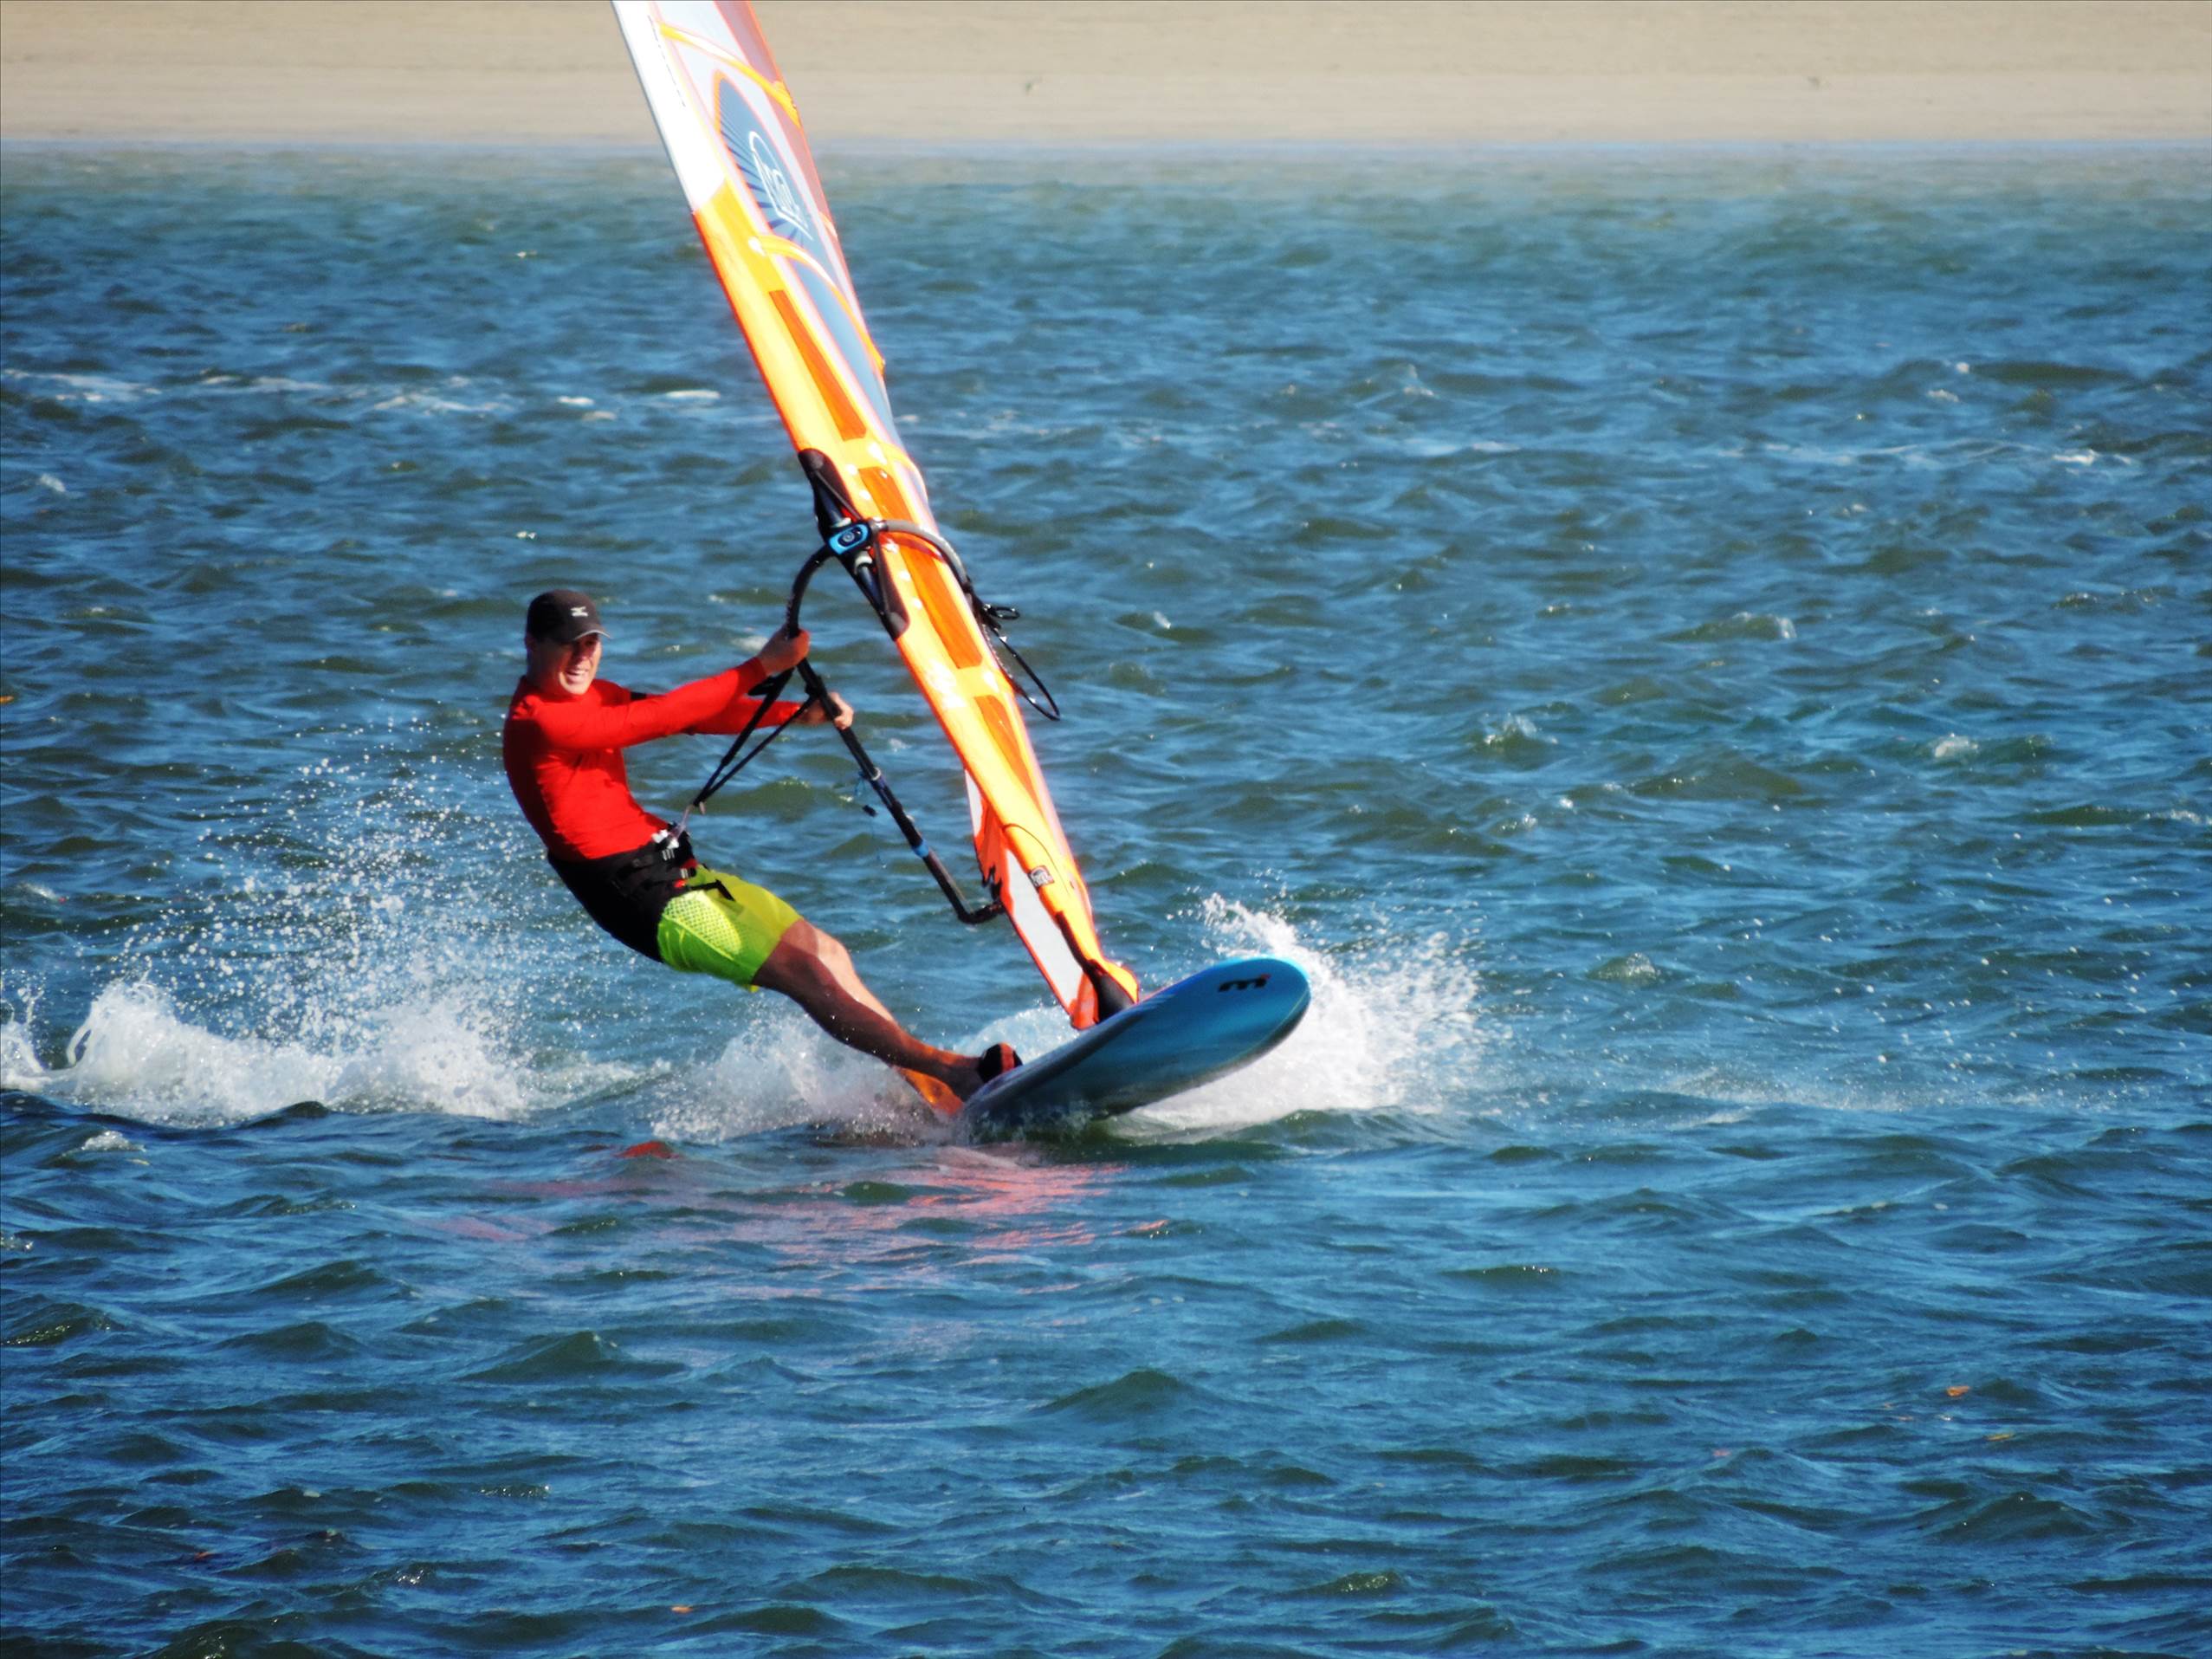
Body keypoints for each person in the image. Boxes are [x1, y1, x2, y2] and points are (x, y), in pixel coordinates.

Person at [501, 588, 1017, 1110]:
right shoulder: (539, 720)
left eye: (591, 643)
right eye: (568, 644)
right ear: (532, 644)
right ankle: (955, 1072)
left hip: (673, 868)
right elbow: (659, 718)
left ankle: (932, 1092)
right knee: (804, 975)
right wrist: (761, 667)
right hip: (640, 898)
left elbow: (691, 717)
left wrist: (795, 714)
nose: (582, 656)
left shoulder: (596, 696)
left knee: (824, 952)